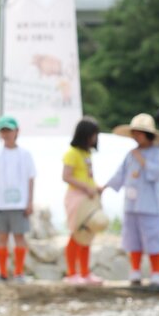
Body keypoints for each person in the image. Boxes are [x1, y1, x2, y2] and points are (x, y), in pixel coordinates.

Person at [106, 114, 159, 286]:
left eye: (139, 133)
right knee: (132, 239)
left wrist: (143, 162)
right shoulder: (130, 154)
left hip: (150, 205)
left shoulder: (157, 153)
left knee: (153, 239)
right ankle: (135, 270)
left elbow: (157, 174)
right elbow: (120, 174)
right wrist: (105, 187)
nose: (136, 137)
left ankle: (156, 271)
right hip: (132, 204)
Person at [0, 115, 36, 282]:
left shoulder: (25, 154)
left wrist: (29, 202)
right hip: (1, 204)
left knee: (19, 237)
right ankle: (2, 273)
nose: (6, 134)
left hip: (19, 204)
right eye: (3, 131)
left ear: (16, 131)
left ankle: (19, 272)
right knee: (2, 237)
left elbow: (31, 178)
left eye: (9, 130)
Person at [61, 118, 102, 284]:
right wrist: (85, 187)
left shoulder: (87, 154)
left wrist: (95, 189)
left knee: (87, 234)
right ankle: (72, 273)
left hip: (89, 198)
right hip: (76, 198)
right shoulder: (72, 153)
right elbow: (66, 176)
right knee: (76, 233)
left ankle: (85, 272)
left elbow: (88, 176)